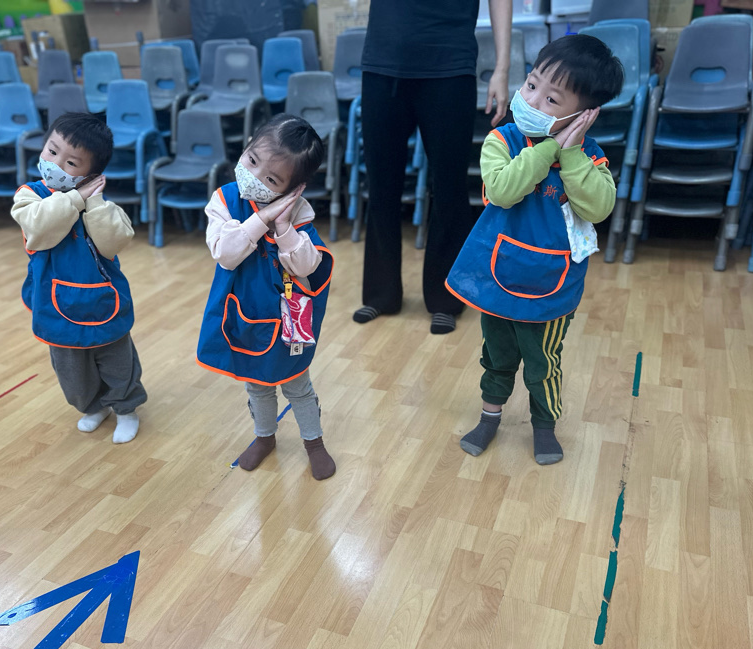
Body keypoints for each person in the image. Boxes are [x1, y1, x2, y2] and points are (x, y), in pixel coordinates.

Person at [445, 34, 624, 464]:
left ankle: (544, 426)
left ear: (583, 115)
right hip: (499, 275)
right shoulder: (501, 141)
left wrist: (572, 153)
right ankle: (489, 417)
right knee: (496, 355)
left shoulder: (591, 158)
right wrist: (548, 149)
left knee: (544, 362)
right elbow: (503, 190)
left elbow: (598, 207)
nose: (531, 100)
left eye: (551, 99)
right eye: (531, 85)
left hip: (552, 282)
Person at [352, 0, 513, 335]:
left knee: (449, 188)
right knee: (381, 185)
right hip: (383, 61)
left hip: (450, 65)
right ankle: (381, 294)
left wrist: (502, 69)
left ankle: (446, 299)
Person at [197, 114, 336, 480]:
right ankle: (264, 437)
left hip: (287, 320)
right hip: (244, 313)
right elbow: (226, 253)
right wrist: (262, 219)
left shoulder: (299, 213)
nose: (255, 177)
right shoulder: (225, 199)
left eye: (272, 179)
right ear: (246, 147)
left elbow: (307, 265)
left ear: (294, 189)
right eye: (252, 160)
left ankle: (314, 443)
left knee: (297, 383)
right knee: (257, 383)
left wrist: (284, 226)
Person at [12, 112, 147, 444]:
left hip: (102, 300)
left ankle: (126, 409)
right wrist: (75, 198)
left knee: (117, 359)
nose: (55, 164)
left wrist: (93, 200)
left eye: (71, 162)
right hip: (55, 301)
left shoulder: (99, 204)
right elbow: (40, 228)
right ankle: (93, 406)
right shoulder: (29, 196)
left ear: (91, 175)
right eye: (51, 151)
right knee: (71, 368)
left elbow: (114, 242)